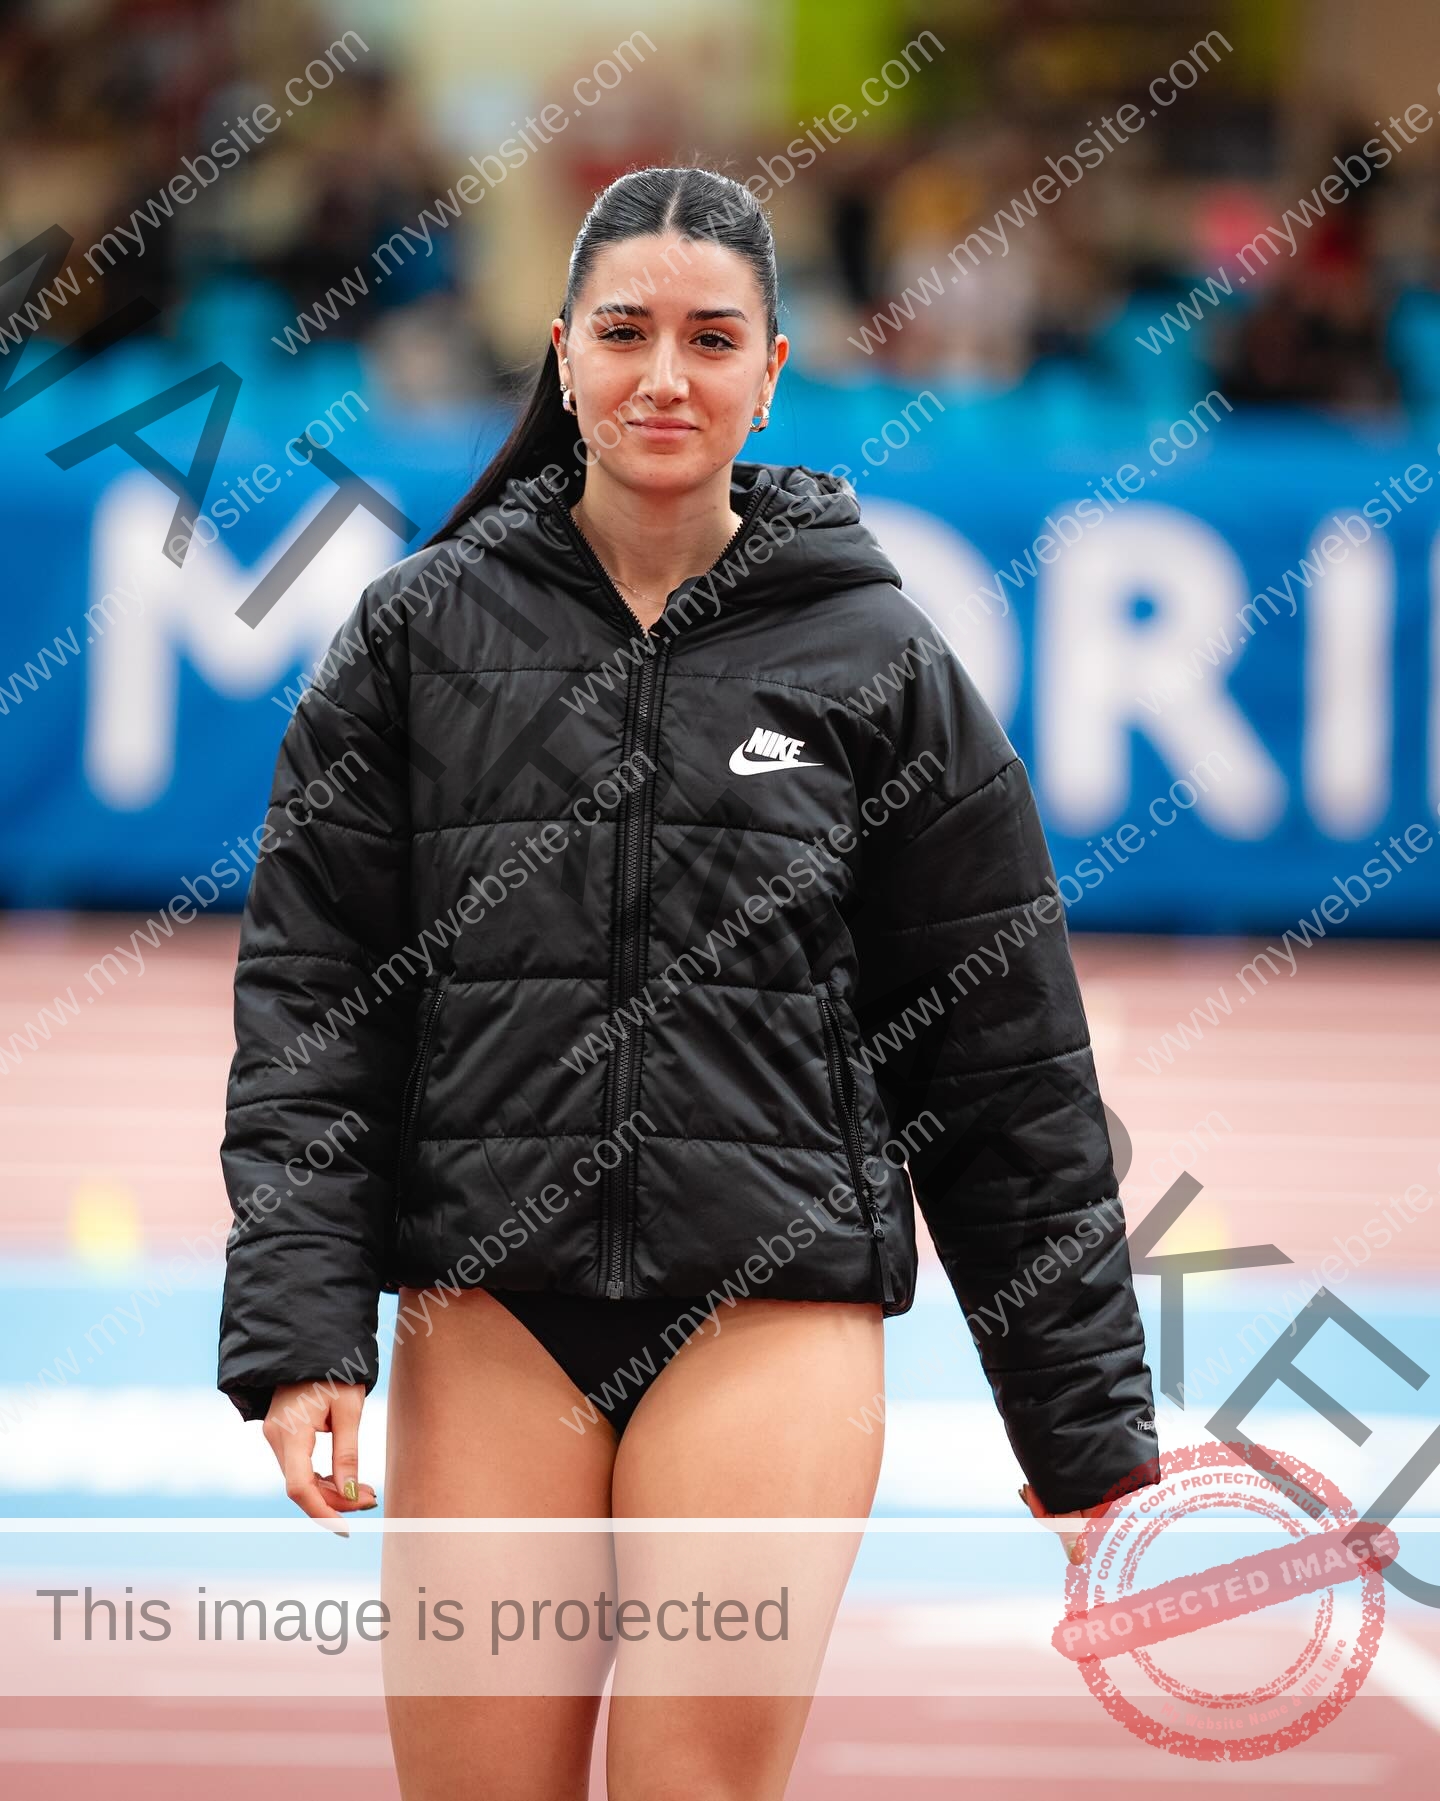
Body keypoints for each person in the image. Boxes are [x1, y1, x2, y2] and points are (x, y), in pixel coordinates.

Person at [217, 163, 1157, 1799]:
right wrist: (305, 1330)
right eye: (627, 331)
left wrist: (1085, 1436)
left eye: (713, 337)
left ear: (775, 367)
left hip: (769, 1313)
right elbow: (318, 1002)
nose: (667, 375)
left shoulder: (885, 662)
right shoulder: (412, 638)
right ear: (563, 352)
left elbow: (1004, 1063)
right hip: (492, 1308)